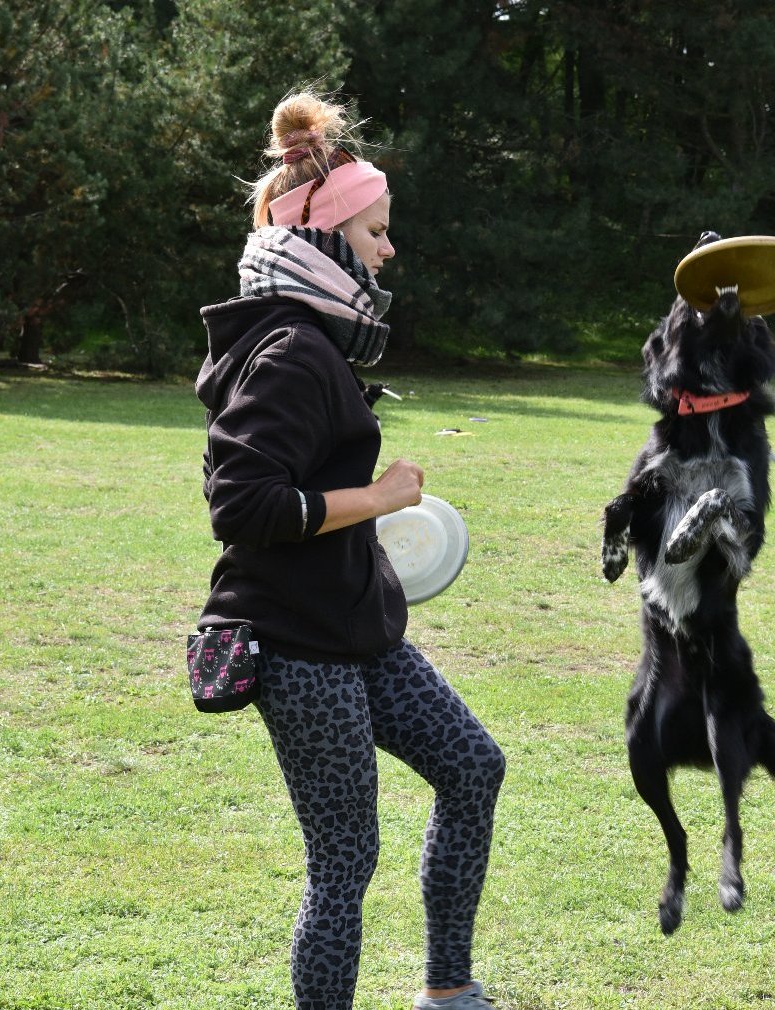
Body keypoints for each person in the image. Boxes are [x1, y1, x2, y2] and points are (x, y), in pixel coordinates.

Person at [194, 90, 507, 1010]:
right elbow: (240, 504)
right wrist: (377, 497)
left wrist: (383, 532)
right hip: (293, 647)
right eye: (374, 231)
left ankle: (448, 990)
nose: (387, 248)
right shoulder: (291, 351)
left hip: (358, 629)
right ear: (324, 243)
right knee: (344, 862)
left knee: (472, 766)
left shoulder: (315, 349)